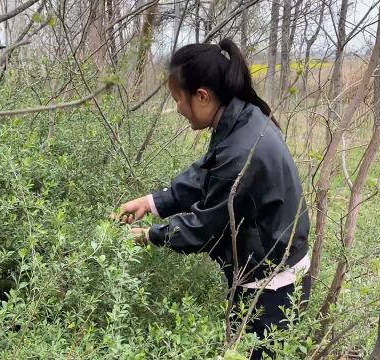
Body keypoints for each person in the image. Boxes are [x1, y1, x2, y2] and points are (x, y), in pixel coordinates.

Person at [118, 39, 311, 359]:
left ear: (202, 96)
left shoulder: (242, 148)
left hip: (273, 285)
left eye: (178, 99)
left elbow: (206, 225)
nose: (178, 108)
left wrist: (150, 235)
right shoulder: (242, 118)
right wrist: (153, 202)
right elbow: (208, 173)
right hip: (270, 266)